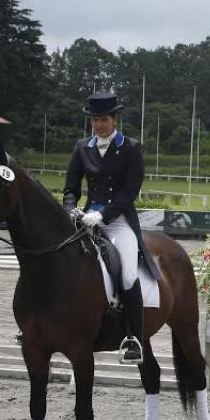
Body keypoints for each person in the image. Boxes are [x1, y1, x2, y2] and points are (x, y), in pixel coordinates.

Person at [63, 91, 159, 364]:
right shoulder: (82, 147)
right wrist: (71, 209)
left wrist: (103, 215)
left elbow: (129, 191)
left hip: (118, 223)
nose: (99, 125)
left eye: (104, 119)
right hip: (85, 222)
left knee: (128, 274)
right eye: (95, 120)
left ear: (115, 119)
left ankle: (134, 338)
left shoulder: (131, 147)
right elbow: (71, 188)